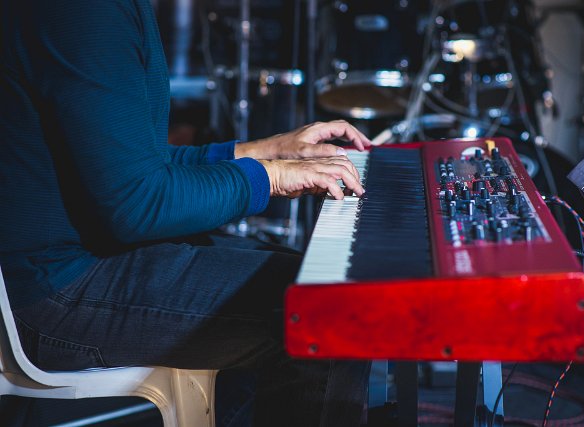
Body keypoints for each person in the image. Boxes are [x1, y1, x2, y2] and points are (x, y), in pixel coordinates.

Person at [0, 0, 372, 425]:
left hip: (79, 257)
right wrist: (268, 177)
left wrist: (265, 151)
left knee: (311, 279)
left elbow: (131, 163)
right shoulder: (85, 11)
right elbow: (137, 204)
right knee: (333, 312)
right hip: (51, 292)